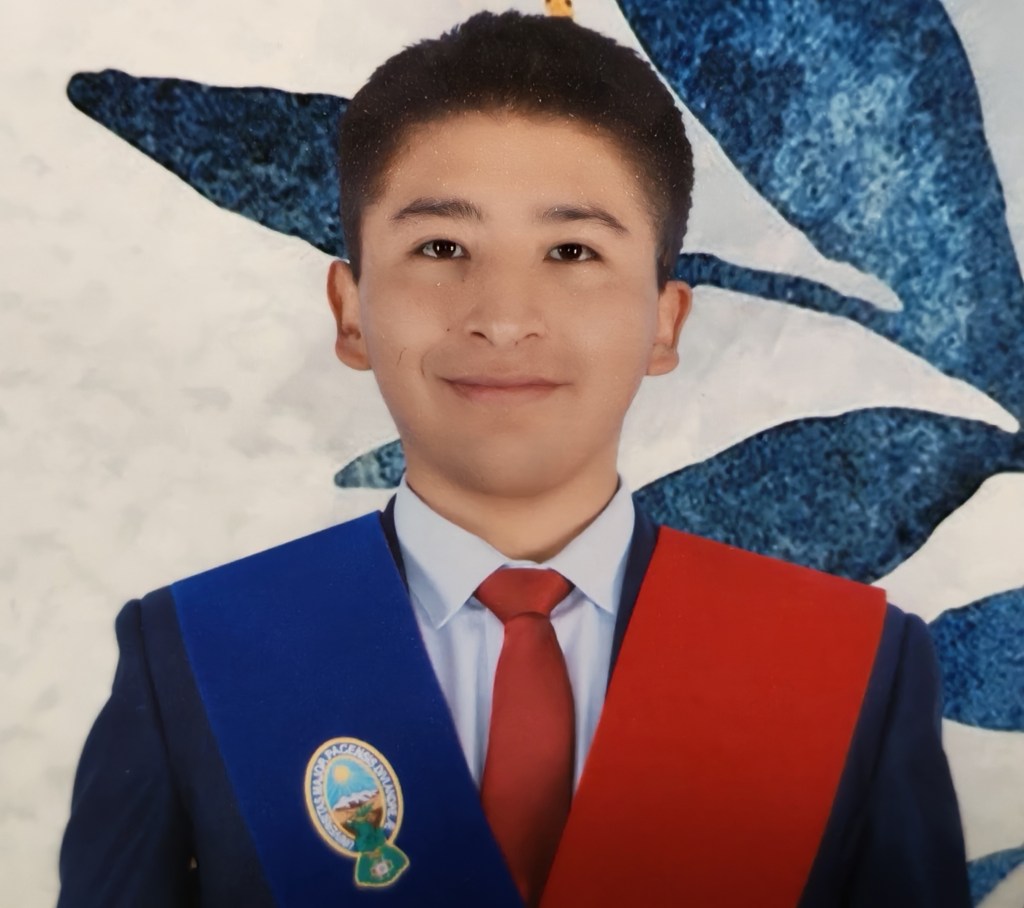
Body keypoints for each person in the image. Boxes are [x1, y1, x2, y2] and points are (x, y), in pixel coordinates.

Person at [58, 11, 971, 908]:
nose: (502, 317)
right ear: (349, 310)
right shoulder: (194, 658)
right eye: (440, 247)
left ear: (665, 321)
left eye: (572, 250)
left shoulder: (854, 666)